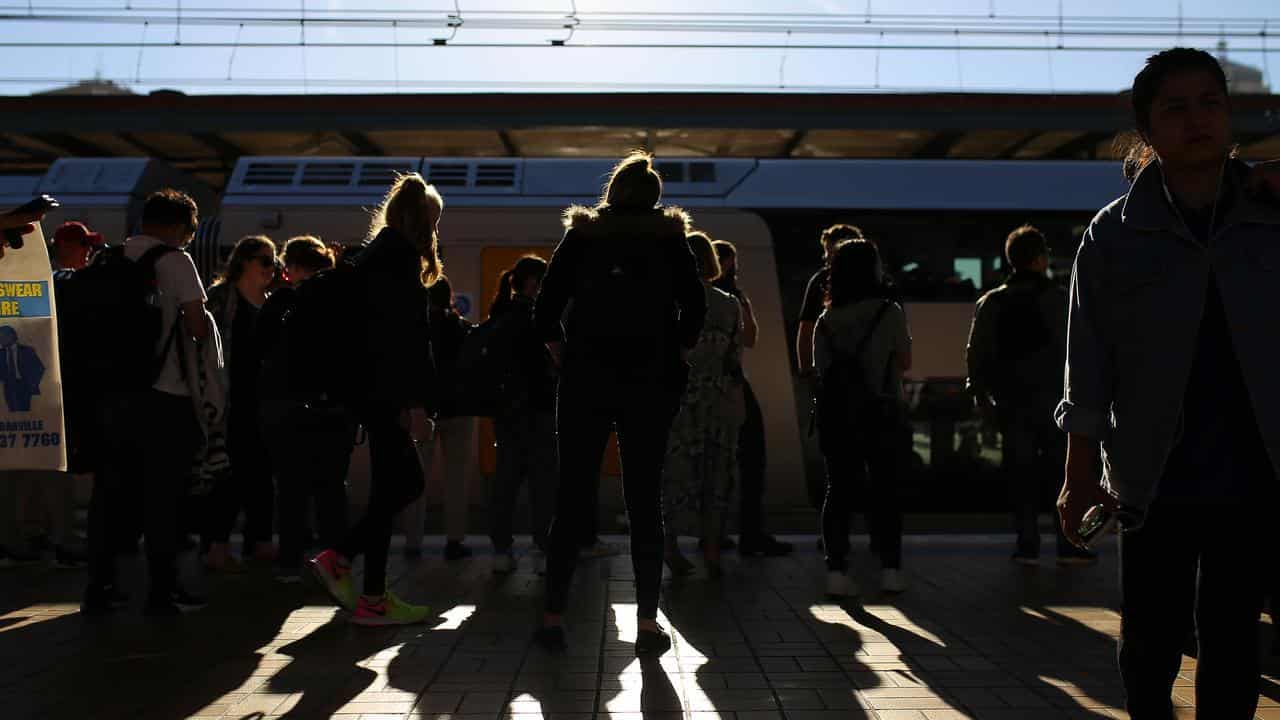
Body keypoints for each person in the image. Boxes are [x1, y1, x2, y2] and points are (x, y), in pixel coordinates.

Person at [1055, 48, 1280, 719]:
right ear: (1146, 130)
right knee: (1150, 641)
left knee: (1235, 640)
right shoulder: (1114, 235)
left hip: (1257, 469)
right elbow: (1087, 363)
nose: (1196, 120)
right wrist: (1077, 474)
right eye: (1175, 109)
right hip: (1153, 474)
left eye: (1210, 103)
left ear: (1231, 117)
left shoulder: (1272, 218)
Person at [534, 152, 705, 656]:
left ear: (613, 191)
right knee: (644, 498)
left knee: (572, 499)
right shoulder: (670, 240)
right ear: (654, 197)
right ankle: (647, 625)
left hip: (587, 378)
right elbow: (694, 305)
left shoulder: (582, 235)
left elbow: (546, 308)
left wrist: (567, 355)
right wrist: (675, 349)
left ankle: (552, 616)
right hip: (649, 381)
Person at [308, 173, 440, 627]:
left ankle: (373, 597)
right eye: (434, 222)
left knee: (390, 489)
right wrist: (416, 404)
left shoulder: (371, 255)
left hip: (366, 390)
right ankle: (342, 559)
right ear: (421, 221)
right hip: (387, 395)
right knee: (408, 484)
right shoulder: (399, 258)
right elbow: (406, 340)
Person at [83, 188, 211, 616]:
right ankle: (162, 593)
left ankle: (98, 589)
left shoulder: (107, 259)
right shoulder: (175, 261)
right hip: (163, 398)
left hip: (111, 399)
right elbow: (196, 326)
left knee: (110, 496)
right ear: (178, 227)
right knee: (164, 498)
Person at [966, 225, 1095, 567]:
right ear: (1040, 259)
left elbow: (975, 354)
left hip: (1011, 402)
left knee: (1020, 476)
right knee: (1059, 473)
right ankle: (1069, 545)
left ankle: (1027, 545)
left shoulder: (991, 301)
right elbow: (1078, 351)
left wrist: (981, 397)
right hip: (1054, 400)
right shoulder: (1059, 298)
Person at [814, 238, 911, 598]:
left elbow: (820, 371)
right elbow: (905, 360)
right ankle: (890, 570)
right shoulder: (890, 311)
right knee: (886, 490)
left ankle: (836, 572)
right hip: (883, 411)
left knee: (837, 491)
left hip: (838, 415)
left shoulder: (826, 320)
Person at [258, 236, 351, 584]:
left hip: (286, 408)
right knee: (332, 490)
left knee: (292, 489)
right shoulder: (343, 300)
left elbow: (259, 347)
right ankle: (336, 563)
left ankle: (290, 562)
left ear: (292, 268)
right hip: (334, 409)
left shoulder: (282, 301)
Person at [662, 232, 744, 578]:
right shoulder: (729, 303)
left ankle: (671, 547)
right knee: (716, 474)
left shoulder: (666, 303)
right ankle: (711, 551)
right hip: (718, 399)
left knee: (675, 476)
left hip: (678, 401)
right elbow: (734, 358)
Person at [203, 235, 279, 571]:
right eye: (265, 261)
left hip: (264, 403)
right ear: (244, 262)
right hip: (227, 403)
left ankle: (259, 541)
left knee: (262, 474)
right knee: (226, 475)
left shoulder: (272, 302)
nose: (270, 268)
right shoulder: (220, 300)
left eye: (273, 262)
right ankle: (216, 545)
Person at [712, 239, 792, 557]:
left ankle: (712, 534)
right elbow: (751, 338)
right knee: (751, 457)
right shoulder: (730, 298)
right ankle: (750, 532)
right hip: (731, 384)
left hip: (697, 388)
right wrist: (741, 302)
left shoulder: (684, 294)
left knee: (709, 460)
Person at [486, 257, 558, 574]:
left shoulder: (498, 314)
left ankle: (501, 548)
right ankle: (543, 546)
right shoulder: (537, 317)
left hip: (506, 414)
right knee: (543, 483)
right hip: (539, 411)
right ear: (532, 283)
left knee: (506, 482)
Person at [401, 275, 477, 560]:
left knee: (416, 481)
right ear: (450, 297)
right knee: (456, 480)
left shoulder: (416, 330)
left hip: (423, 412)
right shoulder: (463, 329)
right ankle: (455, 541)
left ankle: (412, 543)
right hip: (459, 412)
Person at [796, 223, 867, 510]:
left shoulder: (821, 282)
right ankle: (879, 535)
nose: (827, 260)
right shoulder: (883, 288)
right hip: (872, 389)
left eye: (830, 253)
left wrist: (807, 372)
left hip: (831, 387)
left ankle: (836, 534)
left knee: (836, 465)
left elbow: (805, 329)